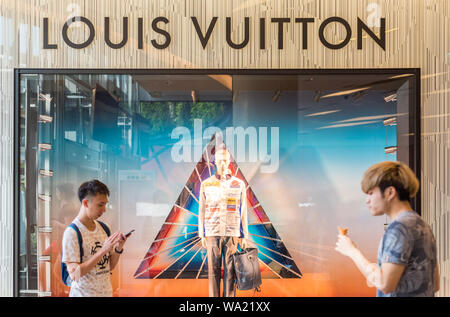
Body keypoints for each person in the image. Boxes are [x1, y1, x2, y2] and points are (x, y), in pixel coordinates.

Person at [335, 161, 440, 296]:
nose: (367, 200)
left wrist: (352, 251)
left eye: (371, 193)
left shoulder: (398, 229)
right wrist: (377, 269)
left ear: (390, 192)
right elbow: (434, 284)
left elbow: (385, 284)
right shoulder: (422, 225)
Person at [62, 180, 129, 297]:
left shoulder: (104, 228)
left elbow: (109, 266)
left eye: (105, 204)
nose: (104, 210)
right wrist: (103, 251)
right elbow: (74, 275)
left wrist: (118, 248)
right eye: (100, 204)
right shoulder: (72, 233)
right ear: (86, 203)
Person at [198, 145, 249, 297]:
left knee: (230, 273)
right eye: (220, 160)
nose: (222, 163)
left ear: (229, 162)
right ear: (214, 162)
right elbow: (201, 210)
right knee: (213, 272)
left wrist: (244, 235)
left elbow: (243, 211)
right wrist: (202, 233)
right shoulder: (206, 184)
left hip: (232, 233)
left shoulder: (239, 184)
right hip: (212, 232)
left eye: (225, 160)